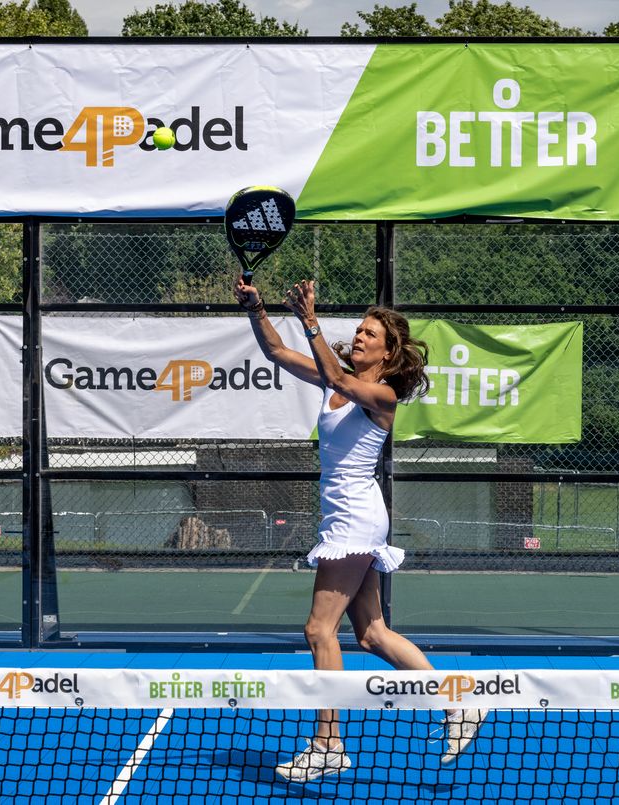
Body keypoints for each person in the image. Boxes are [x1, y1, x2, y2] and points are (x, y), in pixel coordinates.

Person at [233, 275, 488, 782]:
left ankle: (328, 744)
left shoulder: (382, 394)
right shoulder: (337, 378)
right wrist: (256, 307)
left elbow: (343, 382)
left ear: (389, 353)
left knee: (317, 629)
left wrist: (312, 320)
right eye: (360, 330)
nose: (360, 336)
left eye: (371, 333)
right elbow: (277, 352)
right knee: (371, 634)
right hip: (347, 513)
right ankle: (459, 703)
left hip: (353, 518)